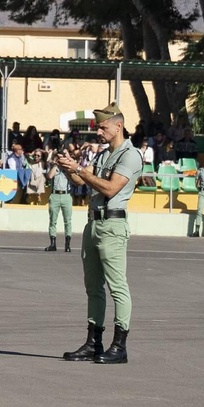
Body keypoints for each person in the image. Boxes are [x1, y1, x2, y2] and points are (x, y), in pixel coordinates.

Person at [56, 103, 140, 365]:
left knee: (117, 287)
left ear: (118, 126)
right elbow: (82, 181)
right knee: (93, 287)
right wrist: (69, 168)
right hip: (93, 225)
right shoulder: (104, 155)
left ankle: (120, 345)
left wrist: (80, 171)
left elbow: (110, 188)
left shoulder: (130, 155)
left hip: (112, 226)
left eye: (103, 127)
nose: (98, 131)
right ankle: (94, 342)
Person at [46, 154, 73, 250]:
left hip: (66, 195)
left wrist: (67, 161)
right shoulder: (54, 167)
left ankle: (67, 244)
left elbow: (73, 175)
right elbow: (49, 176)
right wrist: (56, 165)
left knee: (68, 221)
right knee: (53, 220)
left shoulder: (68, 168)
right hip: (55, 194)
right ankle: (53, 244)